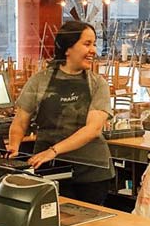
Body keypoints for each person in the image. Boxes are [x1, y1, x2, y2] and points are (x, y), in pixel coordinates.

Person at [6, 21, 115, 205]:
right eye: (87, 44)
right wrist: (14, 148)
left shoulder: (98, 84)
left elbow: (93, 129)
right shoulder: (39, 81)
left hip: (91, 172)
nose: (93, 51)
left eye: (94, 44)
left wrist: (53, 151)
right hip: (48, 169)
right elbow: (20, 121)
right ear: (67, 48)